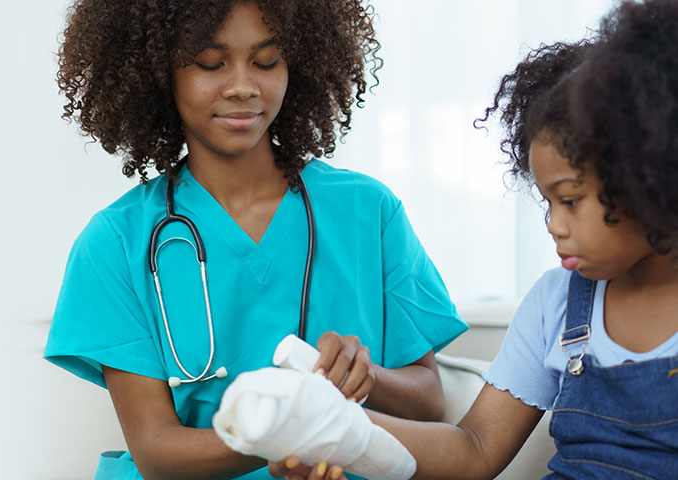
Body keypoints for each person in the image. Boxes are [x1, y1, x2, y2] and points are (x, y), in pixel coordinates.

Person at [44, 1, 468, 479]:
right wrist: (289, 429)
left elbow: (430, 403)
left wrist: (367, 378)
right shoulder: (115, 242)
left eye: (266, 62)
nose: (243, 86)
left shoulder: (367, 211)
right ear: (159, 72)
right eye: (210, 63)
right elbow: (157, 450)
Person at [269, 0, 678, 478]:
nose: (553, 225)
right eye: (547, 203)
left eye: (570, 200)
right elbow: (475, 449)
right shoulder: (557, 304)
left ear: (651, 177)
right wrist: (342, 433)